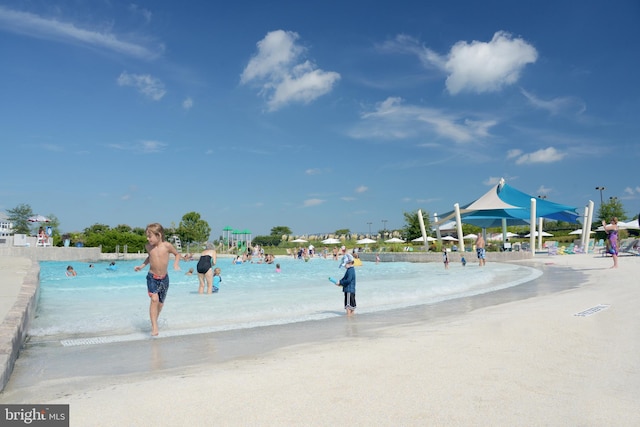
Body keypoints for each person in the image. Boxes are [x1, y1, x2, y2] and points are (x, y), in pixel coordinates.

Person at [134, 223, 181, 336]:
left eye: (150, 236)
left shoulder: (167, 246)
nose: (147, 238)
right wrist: (142, 266)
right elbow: (150, 257)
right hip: (152, 278)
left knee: (160, 304)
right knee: (154, 299)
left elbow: (177, 254)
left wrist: (175, 264)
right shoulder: (148, 247)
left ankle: (154, 320)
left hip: (164, 279)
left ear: (158, 235)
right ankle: (154, 327)